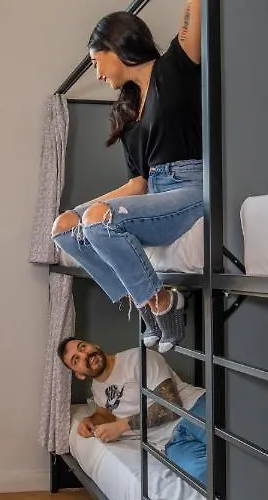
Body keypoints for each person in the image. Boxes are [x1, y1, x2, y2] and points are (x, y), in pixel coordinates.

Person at [51, 0, 202, 352]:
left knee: (98, 221)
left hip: (192, 187)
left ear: (115, 47)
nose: (97, 74)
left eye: (95, 62)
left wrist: (96, 213)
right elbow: (138, 184)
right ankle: (143, 298)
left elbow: (196, 12)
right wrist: (80, 212)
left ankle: (161, 301)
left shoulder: (174, 68)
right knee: (64, 228)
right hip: (156, 195)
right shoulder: (127, 111)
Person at [57, 336, 207, 486]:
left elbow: (171, 406)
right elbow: (104, 414)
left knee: (220, 442)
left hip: (193, 409)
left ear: (95, 345)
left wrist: (121, 426)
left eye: (83, 347)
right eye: (76, 359)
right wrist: (89, 420)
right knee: (205, 477)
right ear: (79, 374)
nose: (84, 355)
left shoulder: (138, 358)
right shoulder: (97, 388)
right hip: (171, 442)